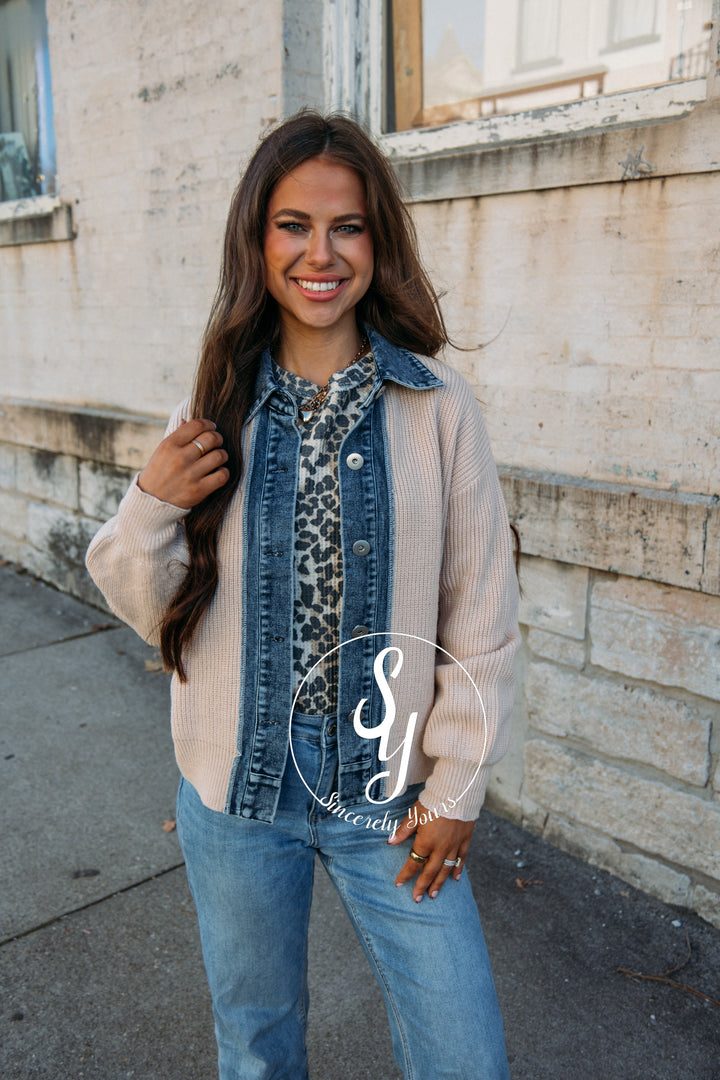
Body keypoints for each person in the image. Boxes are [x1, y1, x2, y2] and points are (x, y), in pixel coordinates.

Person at [86, 110, 519, 1080]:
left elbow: (482, 619)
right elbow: (142, 599)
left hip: (389, 796)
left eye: (348, 226)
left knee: (466, 1055)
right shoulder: (216, 407)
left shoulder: (437, 412)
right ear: (258, 238)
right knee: (257, 1048)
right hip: (238, 793)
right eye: (293, 224)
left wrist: (456, 787)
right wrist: (153, 501)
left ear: (378, 242)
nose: (320, 253)